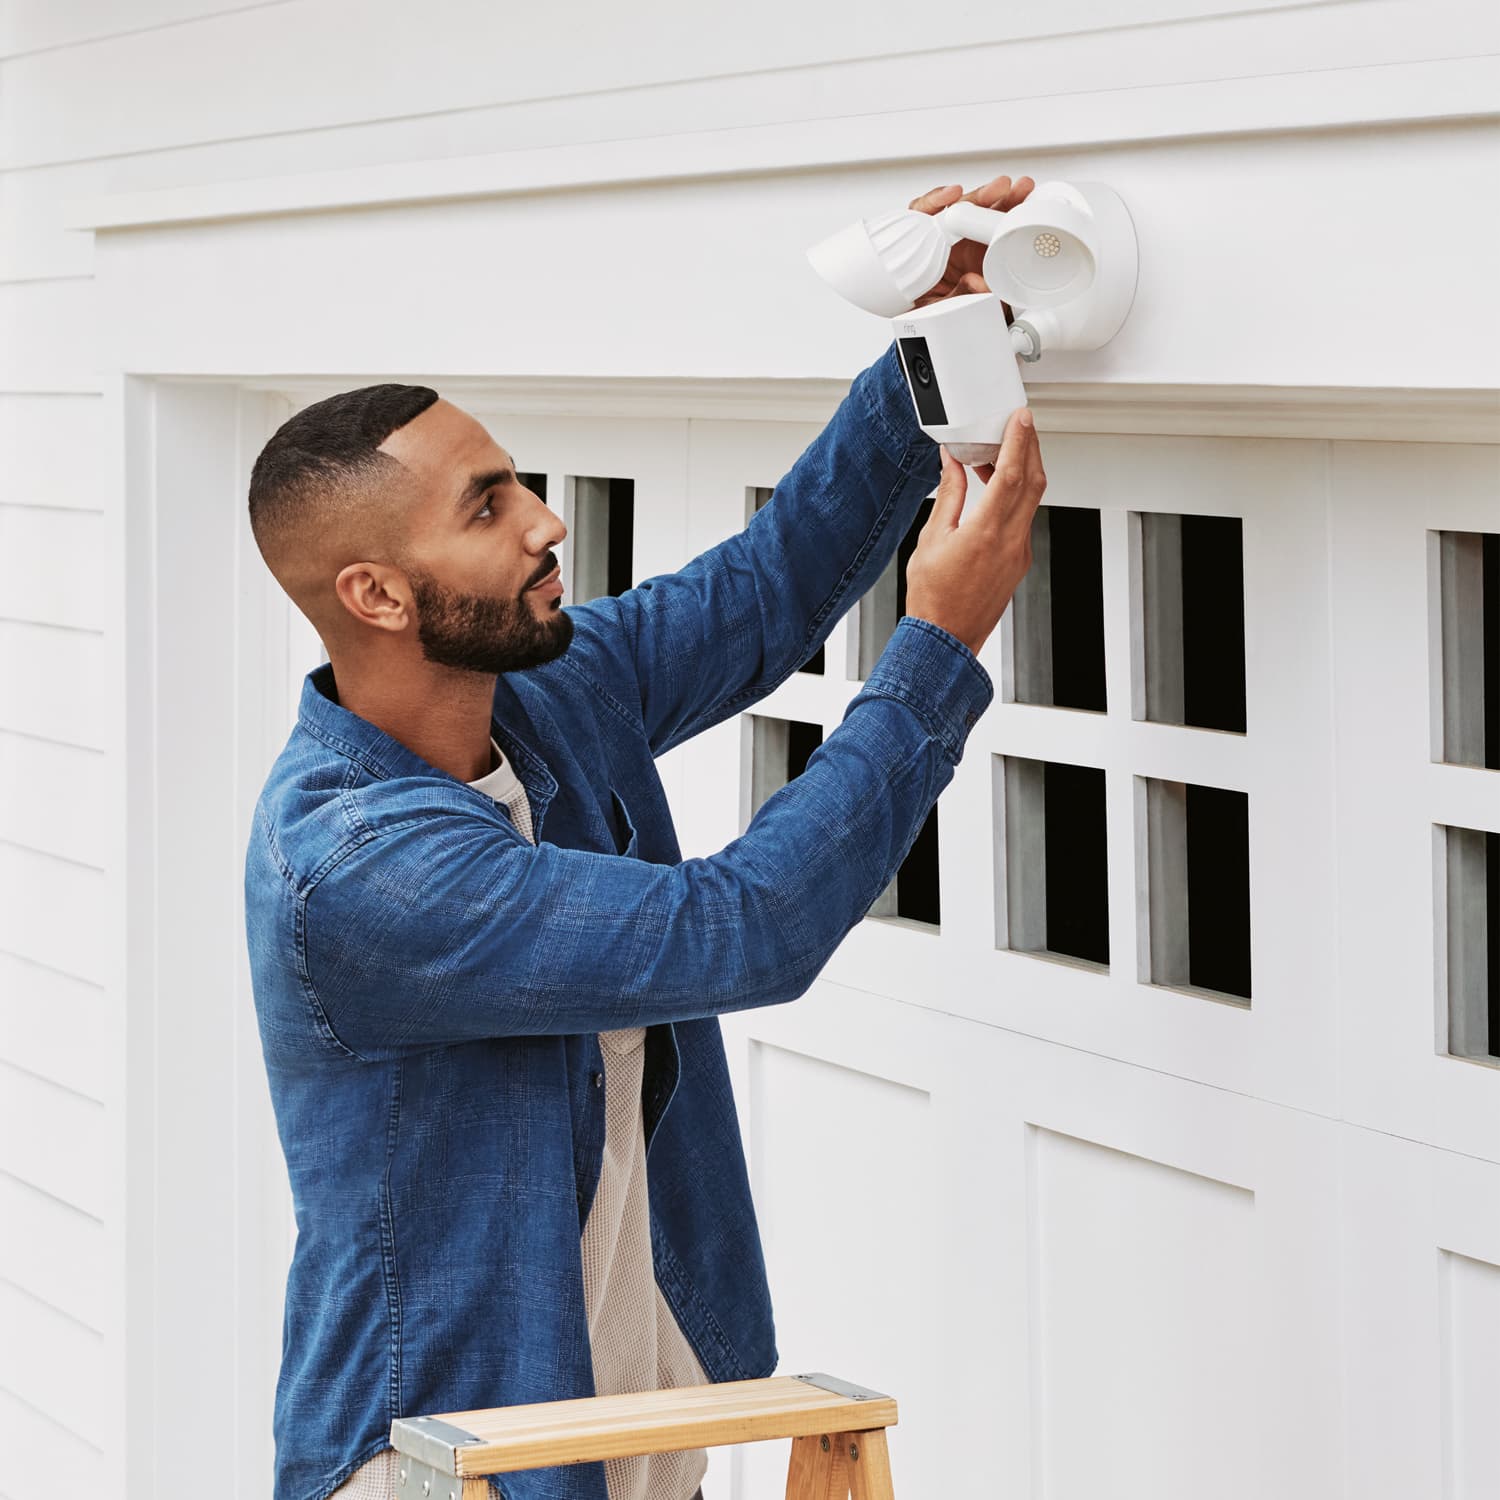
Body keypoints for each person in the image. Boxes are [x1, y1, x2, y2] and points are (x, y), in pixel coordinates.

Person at [243, 172, 1046, 1500]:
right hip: (455, 1452)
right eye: (488, 507)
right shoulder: (358, 872)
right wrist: (936, 649)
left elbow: (769, 587)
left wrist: (932, 345)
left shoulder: (543, 693)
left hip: (627, 1398)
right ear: (375, 592)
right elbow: (748, 928)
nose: (546, 521)